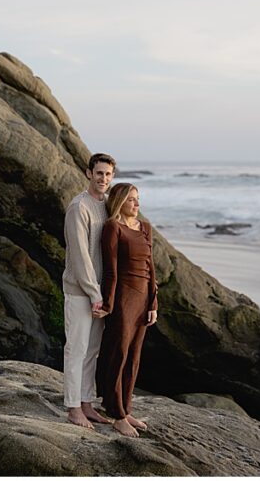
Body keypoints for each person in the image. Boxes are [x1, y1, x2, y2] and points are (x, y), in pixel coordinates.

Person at [96, 182, 158, 437]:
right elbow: (110, 269)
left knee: (134, 356)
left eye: (138, 199)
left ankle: (127, 408)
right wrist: (109, 304)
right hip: (123, 298)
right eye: (132, 200)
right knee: (117, 355)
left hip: (143, 298)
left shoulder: (145, 227)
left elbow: (151, 266)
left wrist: (153, 302)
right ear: (120, 202)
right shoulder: (113, 227)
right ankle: (116, 413)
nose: (137, 204)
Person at [62, 152, 117, 429]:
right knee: (76, 349)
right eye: (99, 173)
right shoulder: (78, 207)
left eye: (108, 174)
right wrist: (95, 294)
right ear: (88, 173)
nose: (103, 178)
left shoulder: (108, 206)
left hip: (100, 294)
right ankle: (72, 408)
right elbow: (81, 257)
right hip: (80, 292)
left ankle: (86, 403)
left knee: (92, 350)